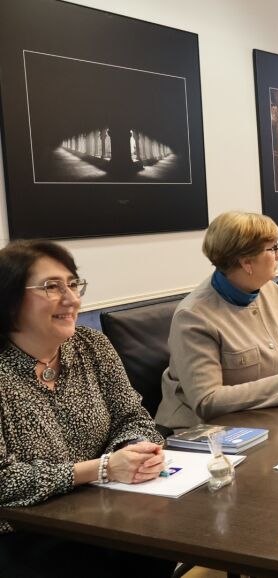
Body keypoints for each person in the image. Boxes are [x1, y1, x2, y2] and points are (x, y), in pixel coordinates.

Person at [0, 240, 174, 577]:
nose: (72, 299)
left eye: (73, 284)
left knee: (158, 543)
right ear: (9, 299)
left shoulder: (91, 345)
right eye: (52, 287)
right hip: (24, 532)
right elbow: (3, 481)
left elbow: (133, 417)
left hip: (103, 511)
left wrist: (134, 451)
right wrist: (103, 468)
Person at [157, 212, 278, 429]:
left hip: (266, 417)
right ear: (246, 262)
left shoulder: (272, 291)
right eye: (273, 248)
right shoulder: (194, 317)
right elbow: (207, 401)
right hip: (205, 431)